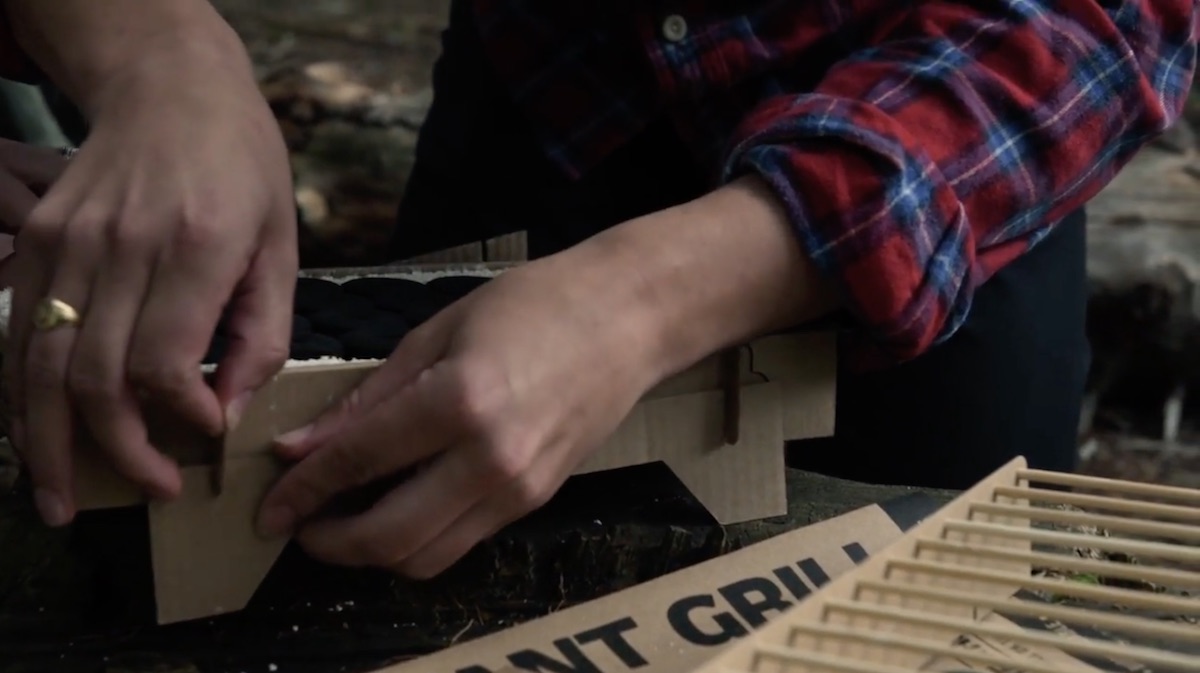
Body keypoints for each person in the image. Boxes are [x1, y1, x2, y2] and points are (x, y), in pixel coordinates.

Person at [0, 0, 1194, 580]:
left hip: (947, 144)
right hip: (557, 94)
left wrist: (634, 302)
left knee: (931, 613)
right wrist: (165, 56)